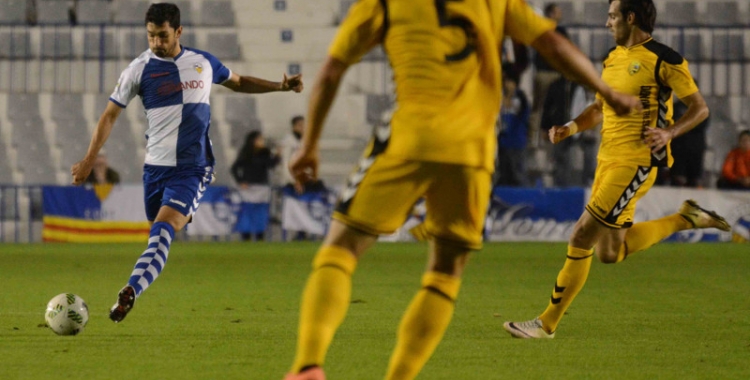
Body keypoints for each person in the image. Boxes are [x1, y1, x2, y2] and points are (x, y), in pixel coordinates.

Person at [282, 0, 641, 378]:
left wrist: (308, 145)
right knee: (445, 270)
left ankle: (308, 365)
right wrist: (606, 91)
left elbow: (332, 70)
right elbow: (552, 44)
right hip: (473, 149)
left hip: (412, 133)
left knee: (342, 247)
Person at [503, 0, 731, 340]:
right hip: (607, 160)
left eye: (612, 16)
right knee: (611, 252)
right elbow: (598, 107)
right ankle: (687, 218)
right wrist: (571, 127)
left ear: (630, 17)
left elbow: (699, 107)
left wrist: (669, 131)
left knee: (581, 235)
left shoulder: (665, 59)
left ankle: (546, 323)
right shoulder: (612, 58)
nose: (607, 22)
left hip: (636, 162)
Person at [70, 3, 303, 323]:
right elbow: (110, 114)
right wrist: (89, 158)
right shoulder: (138, 69)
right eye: (151, 36)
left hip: (193, 168)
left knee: (163, 230)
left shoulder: (203, 62)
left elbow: (239, 81)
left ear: (178, 32)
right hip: (155, 169)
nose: (156, 43)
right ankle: (139, 279)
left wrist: (280, 85)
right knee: (158, 232)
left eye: (163, 36)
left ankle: (131, 289)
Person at [528, 3, 569, 147]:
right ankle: (540, 139)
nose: (560, 15)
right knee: (544, 107)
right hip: (551, 73)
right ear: (551, 14)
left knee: (542, 107)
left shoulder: (541, 29)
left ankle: (537, 139)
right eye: (557, 12)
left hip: (546, 72)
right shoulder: (553, 30)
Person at [231, 131, 280, 241]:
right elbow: (234, 168)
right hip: (248, 187)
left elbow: (270, 165)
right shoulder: (246, 153)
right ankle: (246, 234)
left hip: (261, 186)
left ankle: (259, 234)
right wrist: (241, 181)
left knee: (260, 212)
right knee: (247, 211)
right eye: (260, 139)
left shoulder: (265, 153)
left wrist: (277, 156)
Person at [495, 65, 530, 186]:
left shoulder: (521, 97)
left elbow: (518, 111)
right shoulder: (498, 96)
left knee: (518, 175)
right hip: (502, 143)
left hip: (516, 143)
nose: (505, 84)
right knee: (503, 175)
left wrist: (509, 96)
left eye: (508, 81)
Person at [667, 95, 708, 187]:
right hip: (678, 147)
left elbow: (702, 123)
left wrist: (683, 125)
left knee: (694, 179)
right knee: (677, 178)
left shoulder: (702, 107)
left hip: (695, 147)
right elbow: (671, 122)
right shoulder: (675, 107)